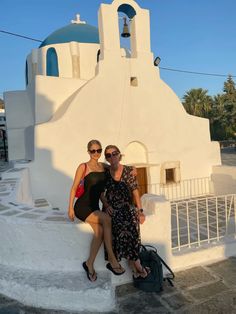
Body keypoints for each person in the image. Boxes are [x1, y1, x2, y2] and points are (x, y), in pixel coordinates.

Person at [68, 140, 125, 282]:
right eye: (93, 151)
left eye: (98, 150)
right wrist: (70, 208)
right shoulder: (83, 166)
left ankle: (89, 264)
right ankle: (112, 259)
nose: (96, 153)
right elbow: (74, 188)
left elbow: (115, 166)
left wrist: (130, 169)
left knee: (99, 234)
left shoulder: (103, 167)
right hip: (82, 207)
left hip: (94, 207)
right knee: (107, 219)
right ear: (88, 152)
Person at [101, 145, 149, 278]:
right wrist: (106, 204)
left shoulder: (128, 170)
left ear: (119, 155)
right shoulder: (105, 172)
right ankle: (135, 264)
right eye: (109, 155)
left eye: (114, 153)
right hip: (111, 208)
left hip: (126, 207)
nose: (112, 156)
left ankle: (135, 262)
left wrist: (140, 210)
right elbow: (101, 192)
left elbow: (135, 190)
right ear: (106, 158)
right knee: (116, 224)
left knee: (131, 225)